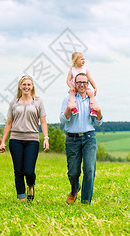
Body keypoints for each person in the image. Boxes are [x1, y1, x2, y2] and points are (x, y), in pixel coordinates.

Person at [0, 76, 49, 202]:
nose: (26, 87)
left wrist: (46, 138)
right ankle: (22, 198)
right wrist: (3, 142)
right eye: (24, 84)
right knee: (18, 171)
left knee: (29, 170)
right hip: (15, 139)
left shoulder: (38, 102)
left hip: (32, 140)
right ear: (20, 86)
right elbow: (9, 123)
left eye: (29, 84)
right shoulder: (13, 103)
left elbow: (43, 121)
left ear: (32, 87)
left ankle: (30, 186)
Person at [60, 73, 103, 204]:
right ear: (75, 83)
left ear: (88, 84)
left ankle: (85, 201)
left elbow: (98, 122)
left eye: (84, 82)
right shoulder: (68, 99)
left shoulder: (92, 100)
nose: (82, 84)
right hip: (72, 139)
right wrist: (69, 109)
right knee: (73, 172)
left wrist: (99, 111)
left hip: (89, 137)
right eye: (79, 82)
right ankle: (74, 189)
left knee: (89, 169)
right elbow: (62, 120)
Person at [66, 52, 98, 117]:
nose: (83, 61)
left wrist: (95, 87)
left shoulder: (85, 70)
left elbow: (90, 79)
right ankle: (74, 108)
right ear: (75, 60)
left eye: (84, 59)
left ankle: (93, 109)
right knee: (71, 96)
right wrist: (72, 87)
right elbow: (68, 80)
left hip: (84, 88)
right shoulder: (72, 70)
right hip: (75, 88)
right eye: (81, 59)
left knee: (91, 94)